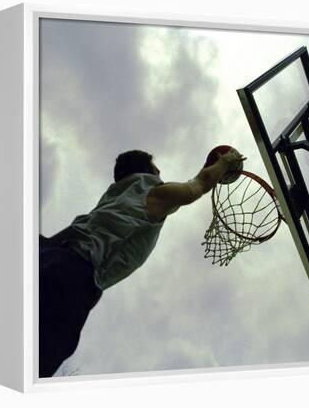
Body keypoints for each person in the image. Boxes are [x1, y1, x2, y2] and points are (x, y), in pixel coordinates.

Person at [39, 148, 245, 377]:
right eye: (157, 169)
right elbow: (199, 185)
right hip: (71, 277)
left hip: (48, 259)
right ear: (148, 171)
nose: (160, 173)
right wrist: (226, 161)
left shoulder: (117, 195)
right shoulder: (153, 194)